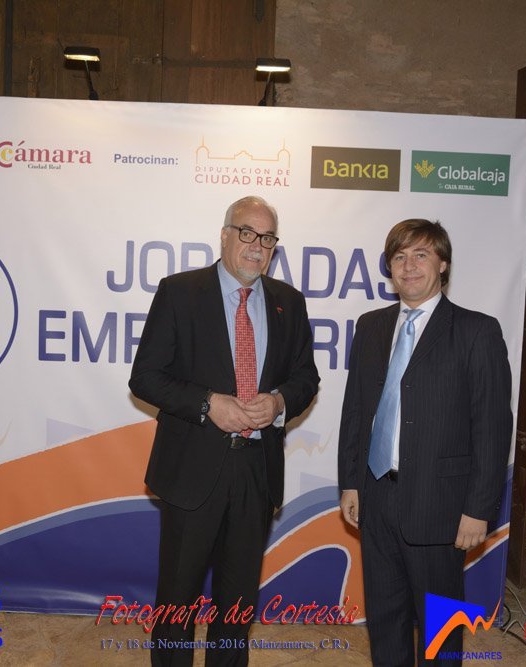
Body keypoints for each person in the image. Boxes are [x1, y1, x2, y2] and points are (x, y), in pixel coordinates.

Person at [130, 195, 320, 666]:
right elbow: (146, 377)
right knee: (177, 602)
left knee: (237, 606)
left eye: (268, 238)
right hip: (192, 471)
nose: (257, 246)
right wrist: (207, 403)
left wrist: (278, 402)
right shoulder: (179, 292)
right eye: (247, 233)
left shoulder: (289, 303)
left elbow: (306, 378)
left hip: (256, 472)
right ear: (224, 235)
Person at [338, 219, 512, 666]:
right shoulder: (371, 326)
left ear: (443, 264)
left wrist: (479, 509)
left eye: (421, 255)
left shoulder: (477, 331)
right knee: (385, 621)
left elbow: (492, 428)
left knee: (440, 630)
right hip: (377, 497)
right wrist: (351, 483)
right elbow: (356, 412)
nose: (408, 266)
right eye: (399, 257)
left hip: (442, 508)